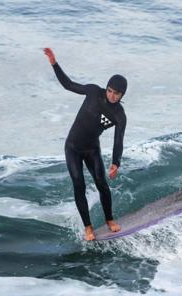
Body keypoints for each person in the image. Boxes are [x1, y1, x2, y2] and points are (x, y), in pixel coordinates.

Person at [43, 47, 127, 241]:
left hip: (92, 149)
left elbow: (118, 140)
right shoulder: (92, 92)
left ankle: (109, 220)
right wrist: (54, 63)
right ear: (106, 88)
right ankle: (88, 227)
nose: (112, 96)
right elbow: (69, 85)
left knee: (102, 185)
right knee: (79, 184)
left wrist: (116, 163)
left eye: (117, 94)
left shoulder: (119, 116)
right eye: (110, 91)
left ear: (122, 95)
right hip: (72, 147)